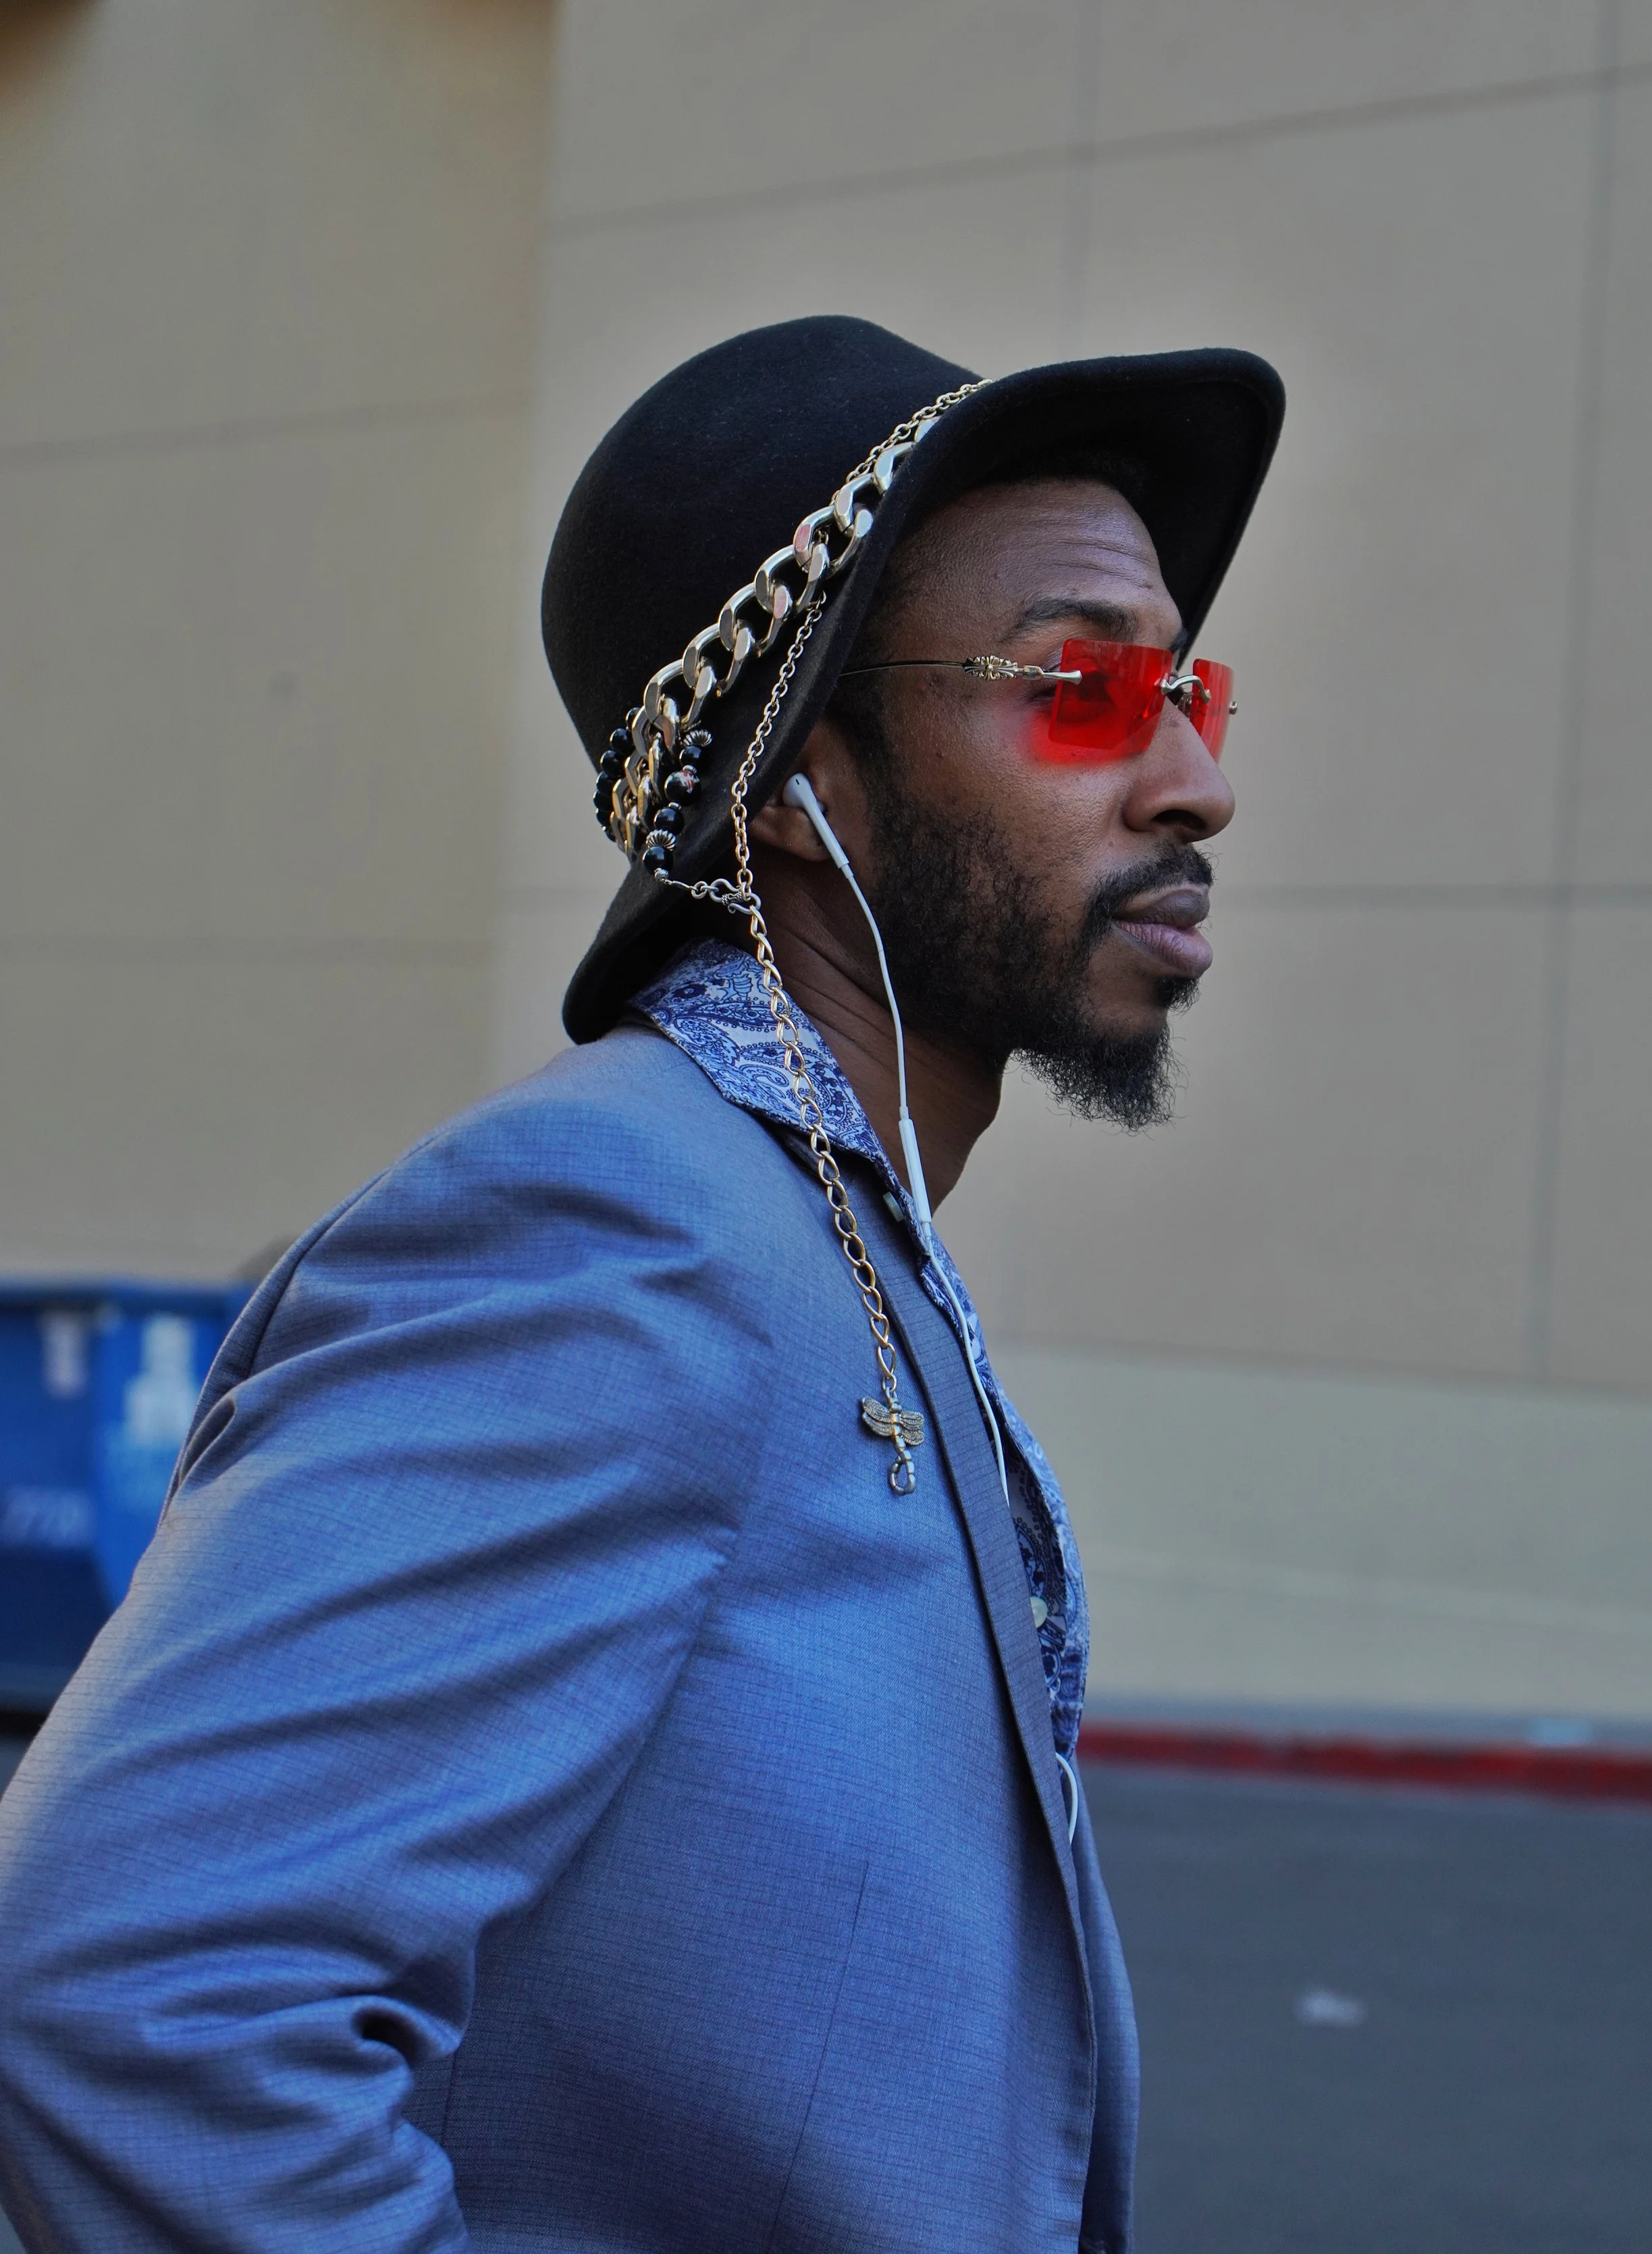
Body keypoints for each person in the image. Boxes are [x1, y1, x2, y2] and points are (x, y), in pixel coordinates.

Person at [0, 316, 1282, 2252]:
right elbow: (133, 1997)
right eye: (1084, 689)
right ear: (792, 783)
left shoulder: (833, 1239)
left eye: (1188, 687)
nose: (1193, 780)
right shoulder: (612, 1230)